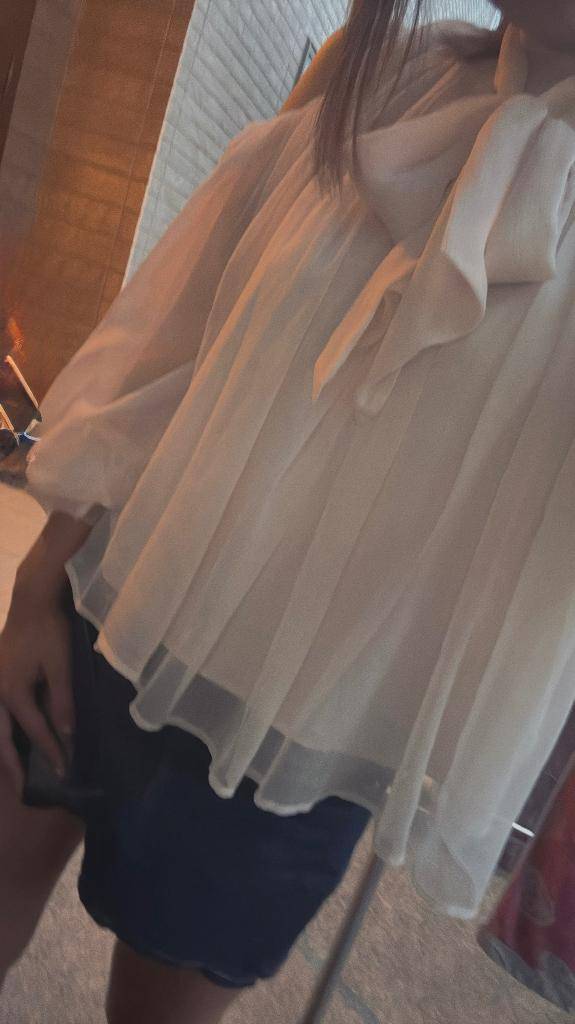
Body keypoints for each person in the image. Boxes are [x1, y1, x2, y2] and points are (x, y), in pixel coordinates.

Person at [2, 2, 575, 1021]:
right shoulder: (375, 73)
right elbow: (182, 339)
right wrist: (45, 570)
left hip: (289, 750)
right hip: (107, 605)